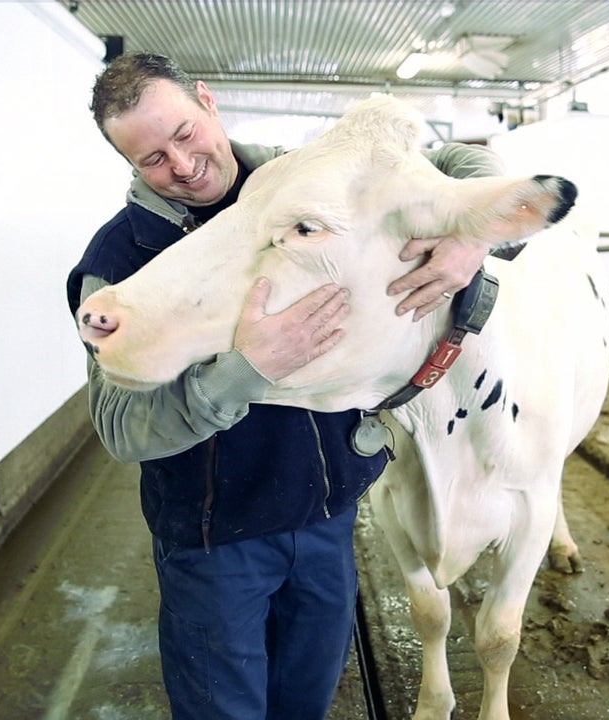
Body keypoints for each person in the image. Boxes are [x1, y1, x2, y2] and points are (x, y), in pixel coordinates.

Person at [66, 52, 506, 720]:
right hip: (216, 539)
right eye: (152, 158)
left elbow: (461, 167)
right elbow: (121, 428)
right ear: (126, 164)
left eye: (184, 134)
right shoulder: (117, 262)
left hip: (327, 516)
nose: (181, 165)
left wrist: (474, 234)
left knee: (306, 702)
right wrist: (248, 369)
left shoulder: (302, 180)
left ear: (207, 101)